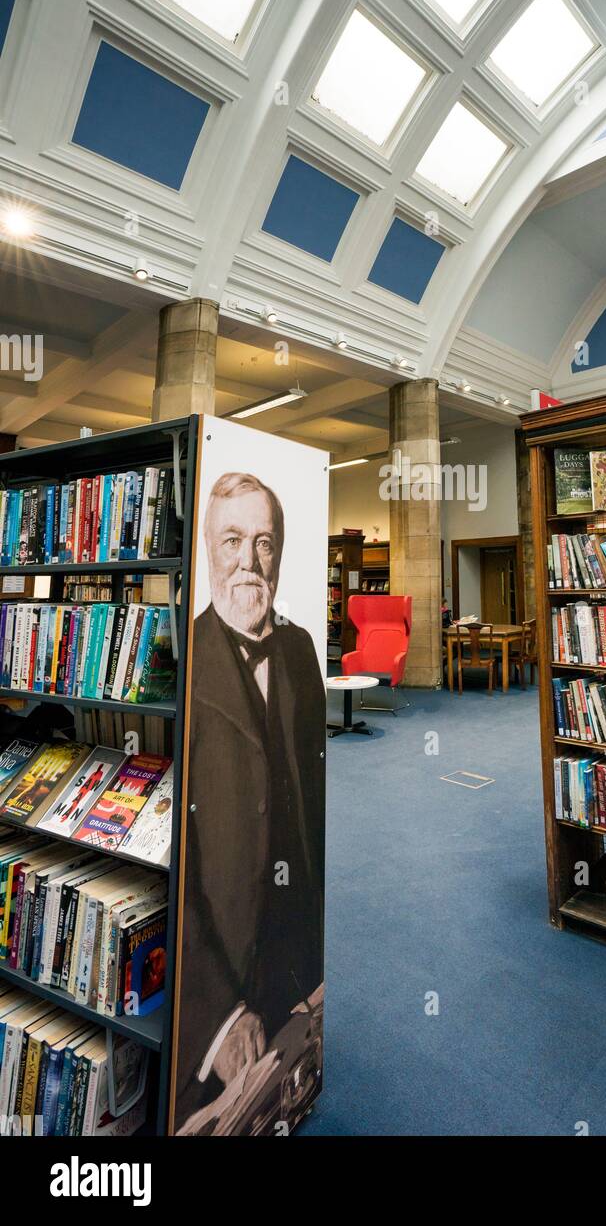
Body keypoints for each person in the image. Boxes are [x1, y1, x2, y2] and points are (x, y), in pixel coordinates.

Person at [175, 471, 325, 1133]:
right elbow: (168, 857)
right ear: (207, 549)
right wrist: (219, 1015)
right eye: (232, 540)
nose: (248, 561)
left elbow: (313, 809)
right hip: (217, 992)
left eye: (264, 542)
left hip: (299, 974)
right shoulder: (179, 657)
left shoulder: (301, 649)